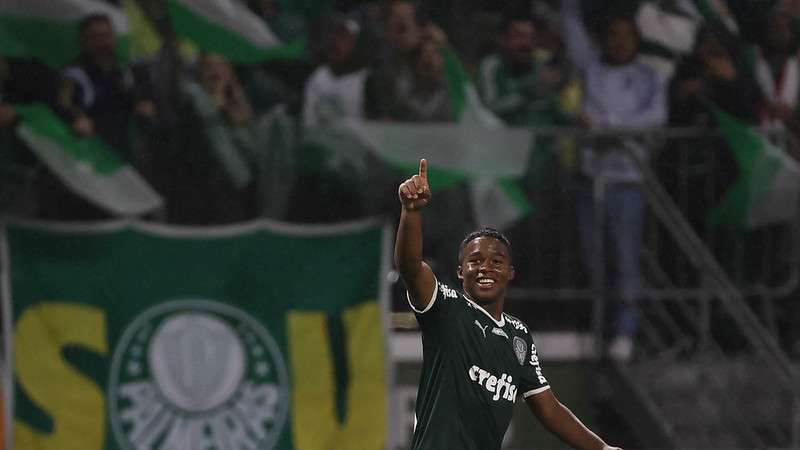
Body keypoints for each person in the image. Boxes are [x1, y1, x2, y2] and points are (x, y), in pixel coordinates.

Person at [395, 158, 623, 450]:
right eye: (475, 261)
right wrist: (411, 212)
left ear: (510, 272)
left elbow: (548, 408)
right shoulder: (445, 308)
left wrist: (601, 448)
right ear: (460, 271)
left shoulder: (519, 336)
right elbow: (410, 267)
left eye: (496, 262)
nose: (485, 268)